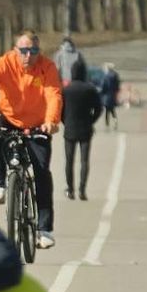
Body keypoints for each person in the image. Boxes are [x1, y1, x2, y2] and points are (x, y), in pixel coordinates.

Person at [0, 29, 63, 249]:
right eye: (23, 51)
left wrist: (51, 121)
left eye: (33, 50)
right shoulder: (3, 64)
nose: (28, 56)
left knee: (41, 172)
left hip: (37, 124)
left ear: (38, 51)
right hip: (8, 117)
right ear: (15, 50)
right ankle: (2, 181)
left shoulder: (47, 67)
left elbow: (54, 94)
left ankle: (44, 228)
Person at [61, 59, 102, 201]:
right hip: (85, 128)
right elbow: (99, 108)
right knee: (84, 160)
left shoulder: (66, 90)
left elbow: (60, 109)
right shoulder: (90, 89)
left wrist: (64, 121)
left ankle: (70, 189)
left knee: (69, 160)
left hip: (70, 128)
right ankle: (82, 190)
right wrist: (91, 120)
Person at [99, 62, 121, 129]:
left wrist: (101, 92)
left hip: (107, 95)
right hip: (113, 94)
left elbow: (103, 86)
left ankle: (107, 124)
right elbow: (118, 86)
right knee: (111, 109)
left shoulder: (106, 76)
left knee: (107, 110)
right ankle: (115, 120)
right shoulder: (116, 75)